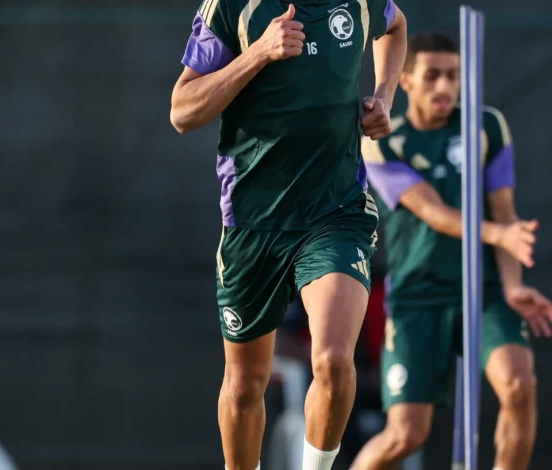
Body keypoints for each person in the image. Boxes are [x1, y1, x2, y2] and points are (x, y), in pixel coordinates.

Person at [170, 0, 409, 468]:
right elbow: (182, 111)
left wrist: (384, 96)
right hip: (253, 221)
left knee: (334, 362)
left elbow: (396, 27)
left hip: (335, 211)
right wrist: (258, 53)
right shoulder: (233, 8)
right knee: (245, 385)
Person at [349, 32, 552, 470]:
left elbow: (504, 212)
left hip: (484, 291)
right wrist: (500, 235)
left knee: (520, 387)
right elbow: (433, 211)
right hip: (418, 295)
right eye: (432, 76)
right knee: (406, 434)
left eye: (453, 75)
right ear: (407, 81)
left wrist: (513, 286)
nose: (445, 86)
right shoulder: (382, 141)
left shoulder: (486, 127)